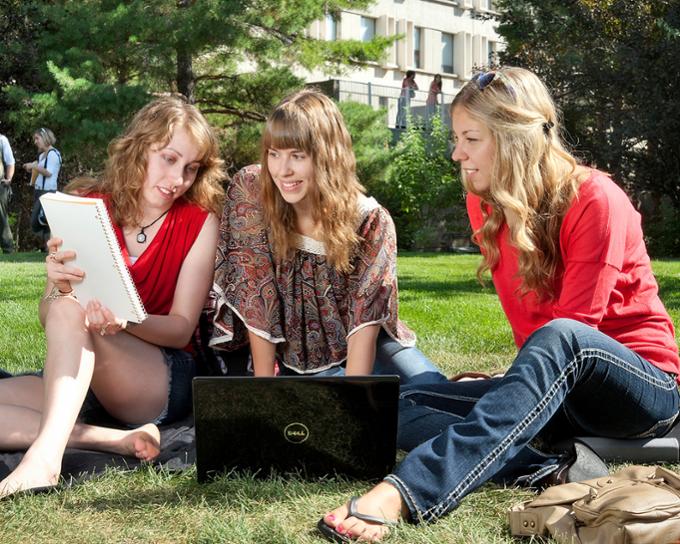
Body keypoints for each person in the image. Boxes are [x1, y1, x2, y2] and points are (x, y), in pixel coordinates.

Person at [318, 67, 680, 542]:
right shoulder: (485, 203)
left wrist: (517, 386)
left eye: (471, 138)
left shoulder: (597, 199)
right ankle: (549, 467)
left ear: (514, 139)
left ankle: (407, 491)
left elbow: (573, 333)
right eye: (456, 137)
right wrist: (512, 385)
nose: (456, 153)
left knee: (562, 336)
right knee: (394, 409)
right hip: (558, 388)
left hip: (640, 391)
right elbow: (542, 345)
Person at [0, 96, 225, 498]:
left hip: (158, 376)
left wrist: (125, 319)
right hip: (84, 374)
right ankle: (109, 439)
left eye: (190, 168)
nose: (178, 179)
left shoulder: (198, 223)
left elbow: (180, 330)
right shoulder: (88, 203)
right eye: (169, 159)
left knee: (73, 311)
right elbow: (47, 313)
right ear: (140, 147)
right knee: (68, 307)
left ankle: (45, 460)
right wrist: (58, 285)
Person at [210, 89, 444, 383]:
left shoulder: (370, 221)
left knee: (428, 390)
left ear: (328, 156)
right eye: (274, 154)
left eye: (298, 155)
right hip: (293, 357)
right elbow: (258, 298)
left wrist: (351, 402)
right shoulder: (253, 194)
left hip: (367, 349)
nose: (283, 170)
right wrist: (264, 390)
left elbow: (363, 327)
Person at [23, 127, 62, 250]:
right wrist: (32, 168)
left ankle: (52, 245)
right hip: (39, 191)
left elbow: (49, 172)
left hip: (48, 192)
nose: (35, 142)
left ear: (45, 138)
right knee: (44, 221)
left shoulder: (53, 154)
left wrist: (34, 166)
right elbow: (40, 170)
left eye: (37, 138)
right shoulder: (42, 156)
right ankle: (48, 249)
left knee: (37, 221)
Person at [0, 131, 16, 253]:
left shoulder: (2, 140)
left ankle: (8, 248)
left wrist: (9, 179)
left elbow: (10, 162)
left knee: (1, 217)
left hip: (0, 184)